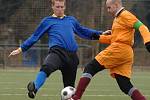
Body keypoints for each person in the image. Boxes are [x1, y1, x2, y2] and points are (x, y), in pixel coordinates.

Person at [8, 0, 103, 99]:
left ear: (65, 7)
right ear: (52, 7)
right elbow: (35, 36)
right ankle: (34, 88)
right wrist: (21, 49)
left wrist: (101, 33)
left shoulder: (71, 20)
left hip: (72, 57)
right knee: (47, 67)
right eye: (57, 7)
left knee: (69, 89)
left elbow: (84, 31)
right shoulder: (47, 21)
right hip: (57, 53)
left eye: (62, 7)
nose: (60, 9)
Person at [70, 0, 150, 100]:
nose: (108, 10)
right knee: (124, 85)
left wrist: (147, 42)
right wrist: (99, 37)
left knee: (90, 67)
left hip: (119, 50)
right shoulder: (118, 18)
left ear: (116, 5)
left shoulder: (125, 15)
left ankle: (76, 97)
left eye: (109, 7)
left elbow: (142, 27)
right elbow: (114, 39)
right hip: (126, 52)